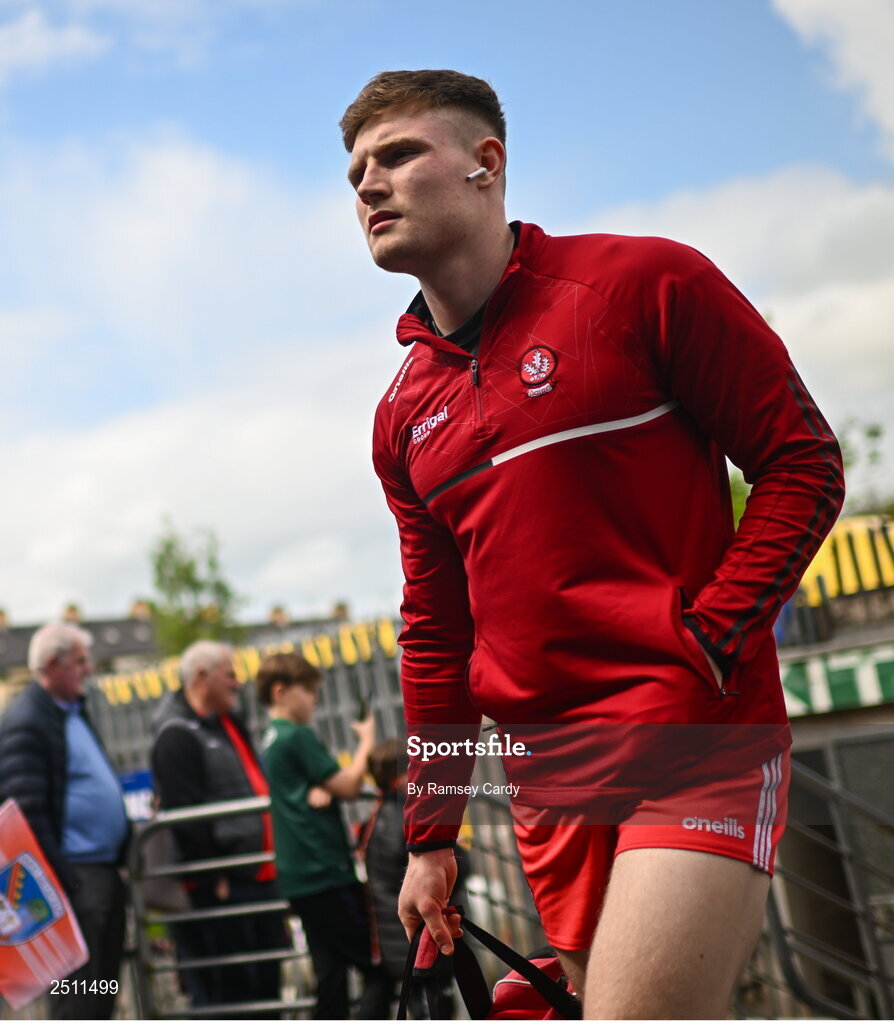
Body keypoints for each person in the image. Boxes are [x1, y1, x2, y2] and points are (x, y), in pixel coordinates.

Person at [339, 69, 846, 1018]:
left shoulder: (645, 282)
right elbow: (438, 637)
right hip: (549, 783)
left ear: (487, 164)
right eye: (357, 167)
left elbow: (802, 462)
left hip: (691, 738)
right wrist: (431, 833)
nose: (369, 183)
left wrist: (711, 633)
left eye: (400, 154)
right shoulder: (401, 416)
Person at [0, 622, 129, 1019]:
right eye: (80, 661)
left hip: (96, 873)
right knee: (80, 994)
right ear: (52, 664)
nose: (88, 669)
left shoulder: (68, 710)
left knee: (102, 986)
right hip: (75, 881)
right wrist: (64, 881)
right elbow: (27, 814)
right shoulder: (29, 720)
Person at [150, 640, 285, 1014]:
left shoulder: (228, 720)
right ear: (201, 677)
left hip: (254, 877)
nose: (238, 683)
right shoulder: (175, 734)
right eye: (229, 674)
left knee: (265, 986)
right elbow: (183, 814)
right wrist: (215, 880)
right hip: (223, 888)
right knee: (230, 995)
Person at [255, 651, 391, 1020]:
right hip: (324, 873)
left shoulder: (271, 738)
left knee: (330, 978)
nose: (315, 698)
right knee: (381, 972)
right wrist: (366, 740)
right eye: (308, 690)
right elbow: (349, 785)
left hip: (300, 876)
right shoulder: (296, 736)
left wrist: (323, 787)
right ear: (281, 691)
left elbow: (317, 785)